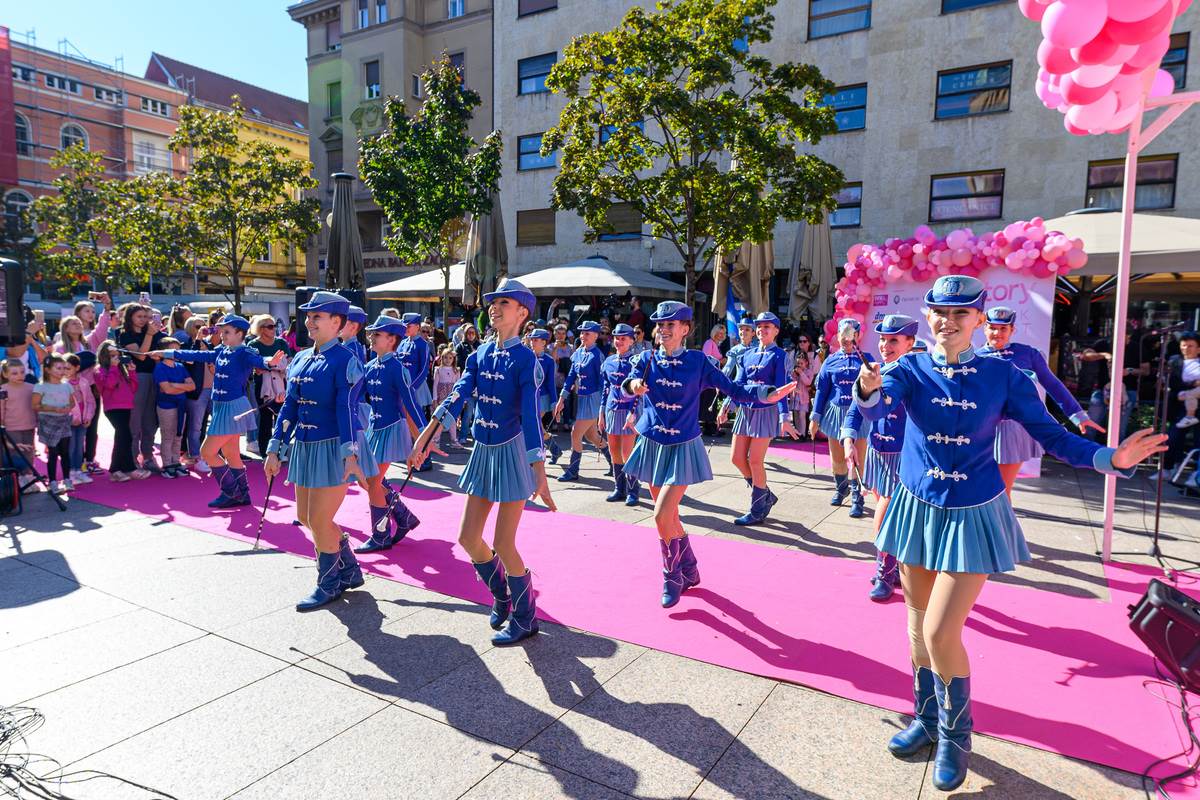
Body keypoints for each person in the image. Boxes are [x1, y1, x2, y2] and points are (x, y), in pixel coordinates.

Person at [854, 275, 1166, 792]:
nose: (948, 322)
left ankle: (957, 734)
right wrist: (866, 388)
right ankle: (927, 719)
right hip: (915, 506)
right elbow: (876, 405)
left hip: (973, 512)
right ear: (928, 315)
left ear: (980, 320)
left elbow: (1049, 434)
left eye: (961, 314)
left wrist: (1110, 458)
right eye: (939, 312)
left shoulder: (1004, 375)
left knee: (939, 632)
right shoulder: (906, 367)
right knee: (915, 626)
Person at [409, 279, 556, 645]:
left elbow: (529, 417)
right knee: (467, 537)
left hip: (512, 453)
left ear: (522, 313)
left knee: (504, 543)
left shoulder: (527, 359)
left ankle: (525, 617)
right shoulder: (477, 355)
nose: (494, 307)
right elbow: (457, 397)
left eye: (503, 303)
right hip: (482, 452)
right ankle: (503, 595)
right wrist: (426, 436)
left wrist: (539, 470)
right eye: (492, 303)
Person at [621, 302, 794, 607]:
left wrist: (768, 395)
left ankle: (672, 575)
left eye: (670, 325)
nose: (663, 330)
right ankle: (689, 567)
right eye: (660, 325)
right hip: (651, 444)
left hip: (683, 446)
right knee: (670, 516)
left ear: (685, 330)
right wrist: (633, 385)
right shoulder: (646, 358)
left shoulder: (699, 362)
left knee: (661, 515)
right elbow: (626, 384)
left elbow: (735, 389)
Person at [264, 292, 371, 611]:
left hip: (334, 448)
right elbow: (290, 408)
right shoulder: (299, 358)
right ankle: (349, 567)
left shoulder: (346, 360)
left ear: (337, 323)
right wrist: (275, 448)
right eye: (308, 316)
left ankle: (329, 584)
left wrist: (350, 455)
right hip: (305, 448)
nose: (309, 321)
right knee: (304, 517)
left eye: (317, 317)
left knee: (319, 518)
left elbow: (345, 410)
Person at [148, 315, 285, 507]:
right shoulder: (221, 351)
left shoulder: (245, 352)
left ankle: (231, 492)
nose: (222, 335)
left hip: (233, 407)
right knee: (231, 454)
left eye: (227, 331)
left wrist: (270, 362)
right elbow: (196, 355)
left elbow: (260, 360)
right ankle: (242, 494)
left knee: (207, 452)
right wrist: (166, 353)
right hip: (221, 406)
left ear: (239, 334)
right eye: (222, 331)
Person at [977, 306, 1103, 497]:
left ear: (1013, 330)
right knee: (981, 491)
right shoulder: (974, 358)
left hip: (1011, 429)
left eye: (1003, 328)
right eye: (993, 327)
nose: (997, 333)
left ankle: (1002, 527)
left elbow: (1053, 385)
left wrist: (1078, 416)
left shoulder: (1028, 354)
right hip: (979, 430)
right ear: (984, 328)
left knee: (1001, 492)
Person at [842, 315, 918, 602]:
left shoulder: (917, 376)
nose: (886, 345)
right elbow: (855, 408)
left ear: (910, 343)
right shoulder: (875, 370)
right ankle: (892, 565)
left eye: (894, 340)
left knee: (885, 511)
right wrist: (849, 437)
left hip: (905, 456)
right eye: (883, 340)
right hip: (877, 452)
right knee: (884, 509)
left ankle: (884, 571)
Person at [718, 312, 800, 525]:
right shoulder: (747, 354)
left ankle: (756, 510)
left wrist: (785, 417)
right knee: (736, 458)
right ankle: (765, 495)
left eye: (767, 327)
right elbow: (738, 384)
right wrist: (726, 406)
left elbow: (781, 389)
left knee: (755, 461)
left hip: (766, 412)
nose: (762, 330)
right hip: (745, 410)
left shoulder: (780, 355)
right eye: (760, 327)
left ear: (776, 331)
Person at [355, 315, 426, 554]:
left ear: (392, 339)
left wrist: (424, 436)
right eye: (371, 334)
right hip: (374, 429)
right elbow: (353, 397)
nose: (371, 338)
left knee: (373, 481)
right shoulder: (370, 365)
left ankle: (380, 535)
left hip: (392, 429)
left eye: (377, 334)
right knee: (366, 480)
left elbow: (411, 404)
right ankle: (403, 515)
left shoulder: (397, 368)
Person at [811, 318, 875, 516]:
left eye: (850, 335)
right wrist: (815, 418)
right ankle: (841, 488)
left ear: (857, 336)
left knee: (858, 459)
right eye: (842, 335)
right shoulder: (829, 361)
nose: (846, 339)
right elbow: (822, 391)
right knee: (837, 459)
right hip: (836, 413)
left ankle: (858, 497)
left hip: (860, 414)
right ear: (837, 336)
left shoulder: (867, 358)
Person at [554, 320, 612, 481]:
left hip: (593, 399)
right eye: (582, 333)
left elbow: (603, 383)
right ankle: (614, 463)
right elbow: (571, 376)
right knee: (592, 436)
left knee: (575, 433)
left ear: (595, 336)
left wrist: (603, 406)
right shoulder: (578, 353)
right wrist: (562, 399)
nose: (583, 336)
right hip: (582, 398)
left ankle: (573, 471)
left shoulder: (597, 355)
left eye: (587, 333)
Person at [116, 303, 168, 472]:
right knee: (135, 421)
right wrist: (149, 336)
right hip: (137, 379)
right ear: (130, 317)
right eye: (139, 316)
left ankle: (148, 456)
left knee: (150, 421)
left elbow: (162, 354)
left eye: (146, 316)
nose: (143, 320)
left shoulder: (156, 334)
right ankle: (132, 458)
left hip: (155, 378)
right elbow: (140, 356)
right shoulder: (125, 335)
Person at [598, 323, 642, 506]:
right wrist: (601, 412)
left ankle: (633, 490)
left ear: (632, 341)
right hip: (611, 410)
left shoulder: (637, 361)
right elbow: (606, 389)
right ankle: (619, 488)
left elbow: (639, 391)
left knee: (627, 452)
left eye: (623, 338)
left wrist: (634, 413)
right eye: (616, 337)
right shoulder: (608, 362)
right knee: (614, 449)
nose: (619, 341)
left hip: (629, 411)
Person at [1080, 327, 1148, 439]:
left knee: (1119, 428)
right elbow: (1085, 356)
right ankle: (1086, 450)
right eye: (1124, 337)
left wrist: (1129, 371)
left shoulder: (1136, 347)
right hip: (1103, 388)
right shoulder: (1104, 344)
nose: (1127, 340)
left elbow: (1146, 370)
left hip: (1127, 390)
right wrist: (1105, 355)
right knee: (1091, 423)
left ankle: (1114, 453)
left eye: (1128, 338)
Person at [96, 342, 146, 482]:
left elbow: (133, 387)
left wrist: (131, 371)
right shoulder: (100, 370)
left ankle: (122, 468)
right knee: (124, 436)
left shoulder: (120, 369)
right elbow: (109, 385)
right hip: (113, 408)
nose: (116, 358)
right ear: (104, 356)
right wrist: (113, 367)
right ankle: (119, 469)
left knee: (125, 437)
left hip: (126, 406)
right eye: (112, 356)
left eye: (118, 355)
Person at [248, 314, 293, 458]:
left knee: (282, 420)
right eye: (269, 326)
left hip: (282, 386)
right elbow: (254, 367)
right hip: (262, 388)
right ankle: (265, 453)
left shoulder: (281, 343)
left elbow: (289, 363)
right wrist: (274, 365)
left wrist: (268, 366)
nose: (274, 328)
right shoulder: (253, 345)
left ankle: (281, 451)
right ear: (260, 329)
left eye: (274, 325)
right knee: (265, 420)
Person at [34, 353, 76, 493]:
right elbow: (35, 405)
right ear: (47, 369)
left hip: (63, 421)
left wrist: (67, 409)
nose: (62, 371)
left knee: (65, 452)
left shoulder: (67, 386)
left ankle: (67, 479)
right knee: (53, 452)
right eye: (58, 368)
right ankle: (52, 482)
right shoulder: (41, 387)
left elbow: (72, 402)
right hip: (48, 421)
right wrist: (53, 409)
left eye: (64, 368)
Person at [153, 339, 195, 478]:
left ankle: (176, 462)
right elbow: (166, 389)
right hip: (166, 406)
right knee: (168, 436)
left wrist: (175, 385)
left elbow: (192, 386)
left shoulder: (180, 367)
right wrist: (182, 386)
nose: (177, 352)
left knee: (179, 435)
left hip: (181, 406)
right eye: (173, 349)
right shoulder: (160, 367)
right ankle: (167, 464)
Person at [398, 312, 434, 469]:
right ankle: (415, 455)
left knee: (417, 422)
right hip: (402, 388)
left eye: (409, 325)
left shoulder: (422, 344)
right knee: (407, 422)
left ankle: (425, 457)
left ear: (417, 327)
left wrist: (411, 388)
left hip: (415, 389)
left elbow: (424, 369)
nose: (405, 328)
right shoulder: (403, 343)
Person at [1163, 331, 1200, 479]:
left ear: (1198, 348)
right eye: (1184, 345)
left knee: (1199, 441)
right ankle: (1167, 468)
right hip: (1181, 405)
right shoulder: (1174, 361)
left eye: (1191, 346)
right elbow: (1172, 383)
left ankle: (1196, 476)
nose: (1186, 348)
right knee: (1173, 436)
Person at [181, 317, 214, 472]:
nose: (202, 328)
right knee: (195, 426)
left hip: (212, 390)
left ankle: (210, 454)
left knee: (215, 425)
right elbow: (190, 360)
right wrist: (197, 341)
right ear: (190, 328)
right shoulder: (186, 345)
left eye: (204, 325)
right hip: (197, 392)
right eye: (198, 326)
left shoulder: (209, 345)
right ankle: (195, 457)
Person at [527, 329, 564, 464]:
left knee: (534, 426)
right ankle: (554, 450)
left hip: (542, 398)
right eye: (531, 339)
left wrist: (554, 403)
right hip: (527, 398)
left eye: (535, 340)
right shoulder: (526, 357)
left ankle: (537, 458)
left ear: (544, 342)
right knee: (537, 428)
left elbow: (550, 383)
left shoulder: (549, 361)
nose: (532, 342)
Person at [1, 360, 37, 478]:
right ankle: (14, 481)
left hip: (29, 426)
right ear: (5, 374)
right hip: (11, 429)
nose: (20, 375)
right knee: (14, 454)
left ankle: (28, 478)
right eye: (14, 373)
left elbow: (37, 407)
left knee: (28, 453)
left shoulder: (32, 388)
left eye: (22, 372)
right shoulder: (3, 390)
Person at [65, 352, 96, 485]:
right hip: (69, 422)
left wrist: (88, 416)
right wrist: (72, 418)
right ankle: (70, 472)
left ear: (77, 368)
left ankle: (78, 470)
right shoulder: (63, 385)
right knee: (71, 447)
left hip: (83, 420)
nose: (65, 371)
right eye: (63, 368)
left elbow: (90, 401)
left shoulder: (83, 382)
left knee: (79, 446)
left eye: (68, 368)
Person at [433, 345, 463, 448]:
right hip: (441, 397)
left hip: (452, 397)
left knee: (452, 419)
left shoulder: (456, 370)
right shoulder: (438, 370)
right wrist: (435, 399)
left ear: (454, 359)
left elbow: (458, 384)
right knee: (440, 419)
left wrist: (460, 399)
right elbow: (435, 385)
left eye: (450, 357)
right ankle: (436, 441)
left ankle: (454, 441)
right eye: (445, 357)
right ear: (441, 358)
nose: (448, 360)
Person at [788, 335, 818, 436]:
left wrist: (801, 373)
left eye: (804, 341)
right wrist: (795, 374)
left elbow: (808, 382)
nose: (802, 343)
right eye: (800, 341)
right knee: (796, 414)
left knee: (802, 414)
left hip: (804, 396)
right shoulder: (794, 355)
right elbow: (791, 380)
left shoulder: (810, 366)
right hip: (795, 396)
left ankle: (803, 434)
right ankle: (797, 433)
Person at [455, 324, 481, 436]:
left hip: (479, 383)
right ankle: (463, 435)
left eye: (473, 333)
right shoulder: (460, 347)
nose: (471, 335)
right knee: (468, 412)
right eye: (468, 333)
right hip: (468, 381)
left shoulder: (481, 346)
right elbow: (459, 364)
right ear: (465, 334)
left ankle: (477, 435)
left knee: (478, 413)